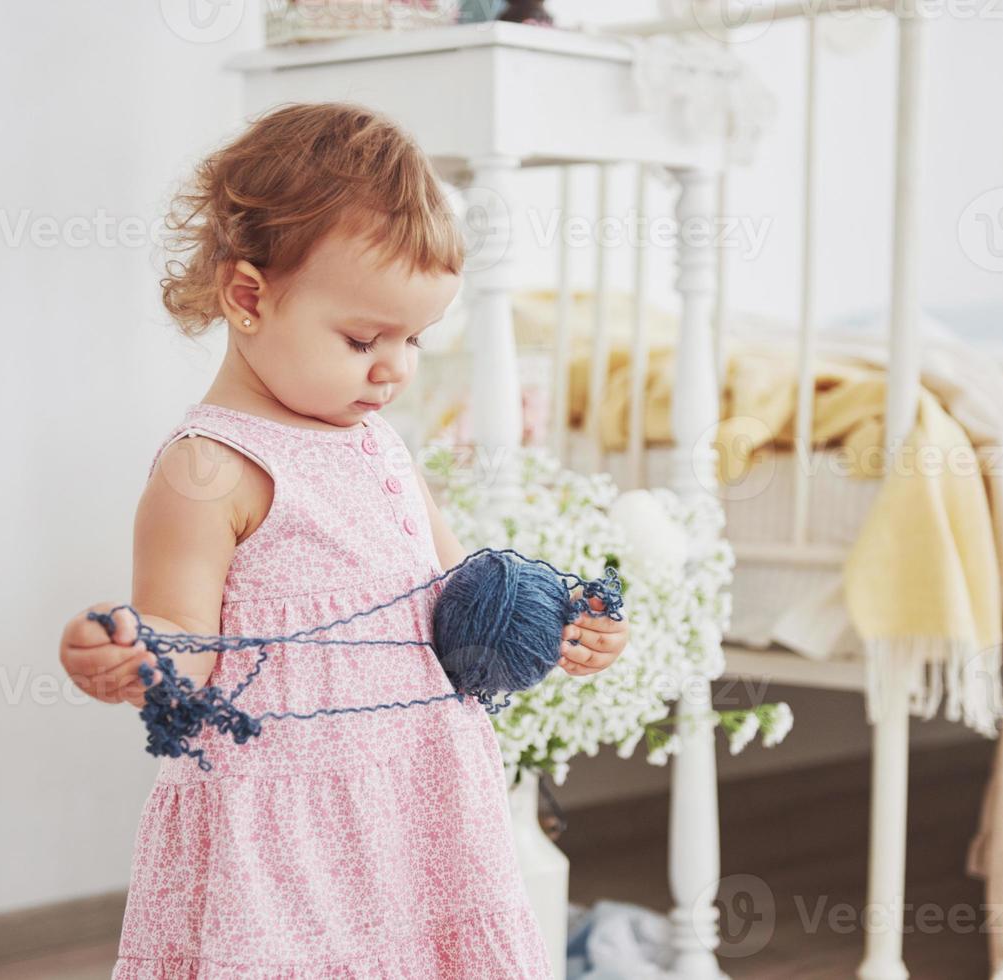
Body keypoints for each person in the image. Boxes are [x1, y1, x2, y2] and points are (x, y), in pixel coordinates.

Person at [56, 101, 628, 977]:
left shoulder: (378, 443)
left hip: (419, 805)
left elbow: (455, 597)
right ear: (248, 296)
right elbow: (186, 651)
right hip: (286, 842)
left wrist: (557, 626)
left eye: (414, 338)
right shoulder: (208, 471)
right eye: (363, 338)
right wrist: (134, 657)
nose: (395, 367)